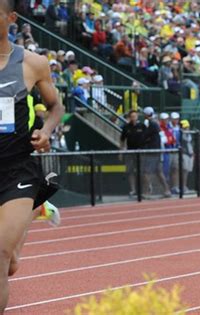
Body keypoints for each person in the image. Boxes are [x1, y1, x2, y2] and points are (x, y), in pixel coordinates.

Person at [0, 0, 64, 312]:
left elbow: (56, 106)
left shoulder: (33, 63)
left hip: (17, 170)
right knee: (9, 266)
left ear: (11, 19)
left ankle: (30, 208)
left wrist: (47, 131)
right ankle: (35, 213)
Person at [142, 107, 171, 198]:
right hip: (158, 150)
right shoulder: (156, 123)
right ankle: (167, 190)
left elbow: (145, 136)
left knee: (146, 172)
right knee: (159, 172)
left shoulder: (151, 123)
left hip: (153, 151)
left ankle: (146, 192)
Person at [120, 109, 146, 196]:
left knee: (141, 171)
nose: (133, 118)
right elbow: (122, 140)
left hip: (141, 151)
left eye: (135, 116)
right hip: (130, 152)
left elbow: (147, 138)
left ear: (137, 116)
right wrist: (121, 151)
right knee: (130, 171)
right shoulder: (126, 127)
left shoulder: (142, 126)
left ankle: (144, 189)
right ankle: (133, 189)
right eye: (132, 117)